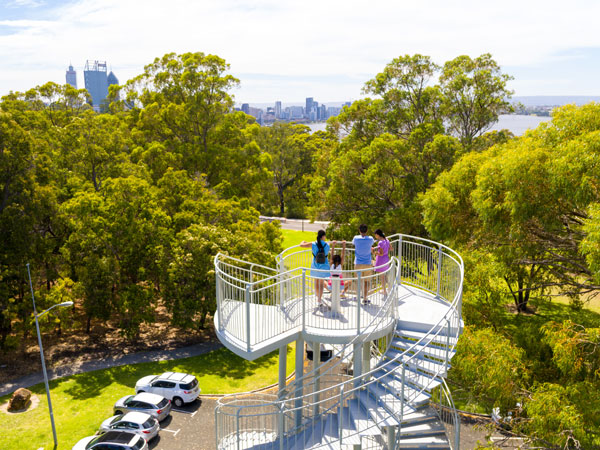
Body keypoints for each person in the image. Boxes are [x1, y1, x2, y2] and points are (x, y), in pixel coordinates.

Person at [300, 230, 332, 309]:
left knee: (316, 282)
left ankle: (317, 296)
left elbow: (301, 245)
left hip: (315, 265)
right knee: (321, 283)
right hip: (324, 266)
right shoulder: (327, 245)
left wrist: (303, 241)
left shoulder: (313, 244)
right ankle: (319, 299)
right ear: (323, 236)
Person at [351, 224, 374, 305]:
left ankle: (357, 297)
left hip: (358, 263)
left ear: (359, 230)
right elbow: (372, 244)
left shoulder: (356, 238)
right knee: (367, 281)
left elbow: (353, 243)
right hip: (367, 263)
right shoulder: (371, 239)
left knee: (358, 281)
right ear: (367, 230)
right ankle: (365, 298)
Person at [372, 229, 390, 296]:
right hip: (386, 259)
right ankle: (385, 289)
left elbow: (381, 253)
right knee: (384, 276)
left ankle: (384, 291)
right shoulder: (386, 240)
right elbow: (390, 248)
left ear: (377, 234)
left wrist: (374, 252)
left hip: (381, 260)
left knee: (382, 277)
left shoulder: (380, 243)